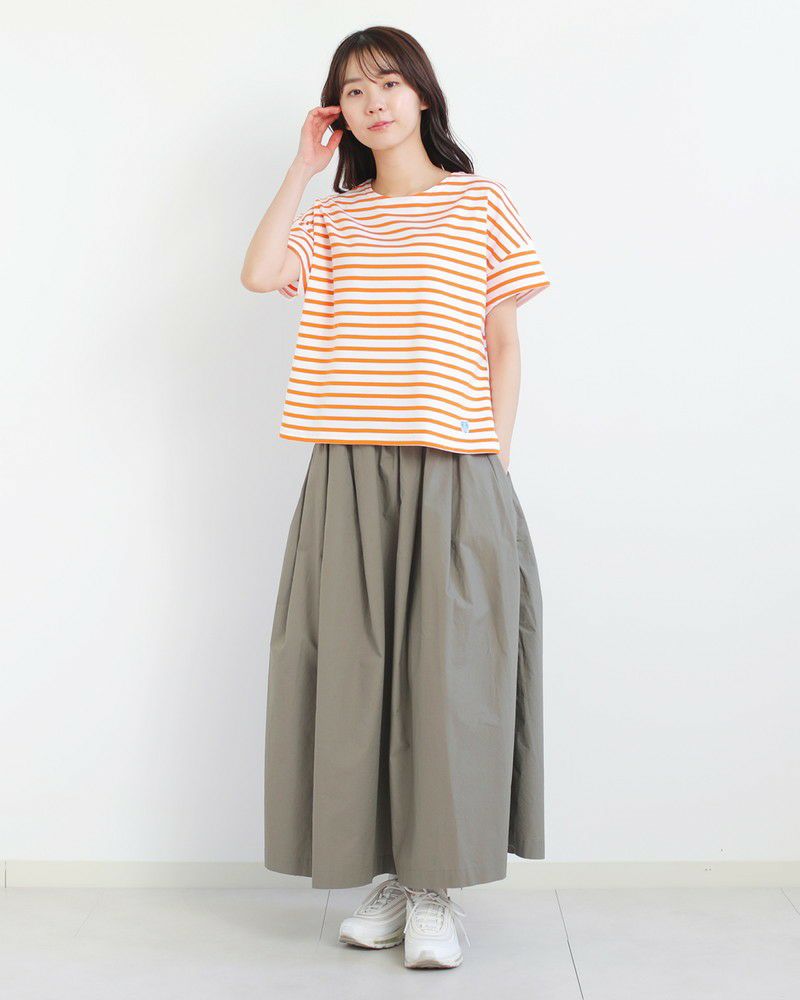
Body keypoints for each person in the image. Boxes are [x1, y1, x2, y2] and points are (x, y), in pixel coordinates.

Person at [241, 26, 549, 971]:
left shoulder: (479, 202)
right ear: (338, 113)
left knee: (448, 678)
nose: (373, 101)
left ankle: (434, 889)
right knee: (355, 675)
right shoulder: (334, 220)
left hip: (455, 464)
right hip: (348, 469)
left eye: (388, 82)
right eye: (352, 89)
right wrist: (302, 169)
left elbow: (502, 340)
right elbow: (260, 274)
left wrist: (494, 455)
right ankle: (388, 876)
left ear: (422, 94)